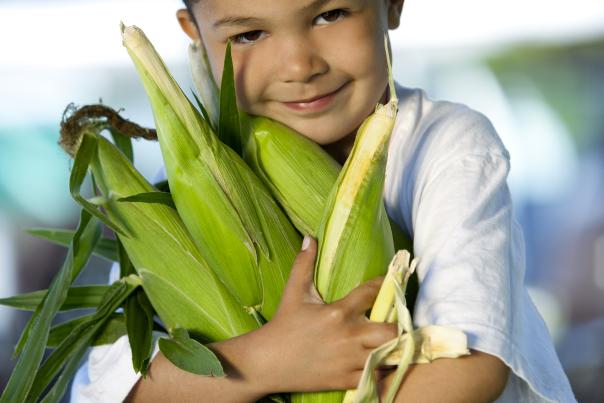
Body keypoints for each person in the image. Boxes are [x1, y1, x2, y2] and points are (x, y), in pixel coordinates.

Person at [71, 0, 576, 402]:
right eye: (248, 34)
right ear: (196, 34)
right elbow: (121, 391)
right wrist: (269, 360)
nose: (299, 65)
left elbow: (470, 364)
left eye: (329, 14)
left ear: (392, 4)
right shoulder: (194, 183)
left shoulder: (445, 145)